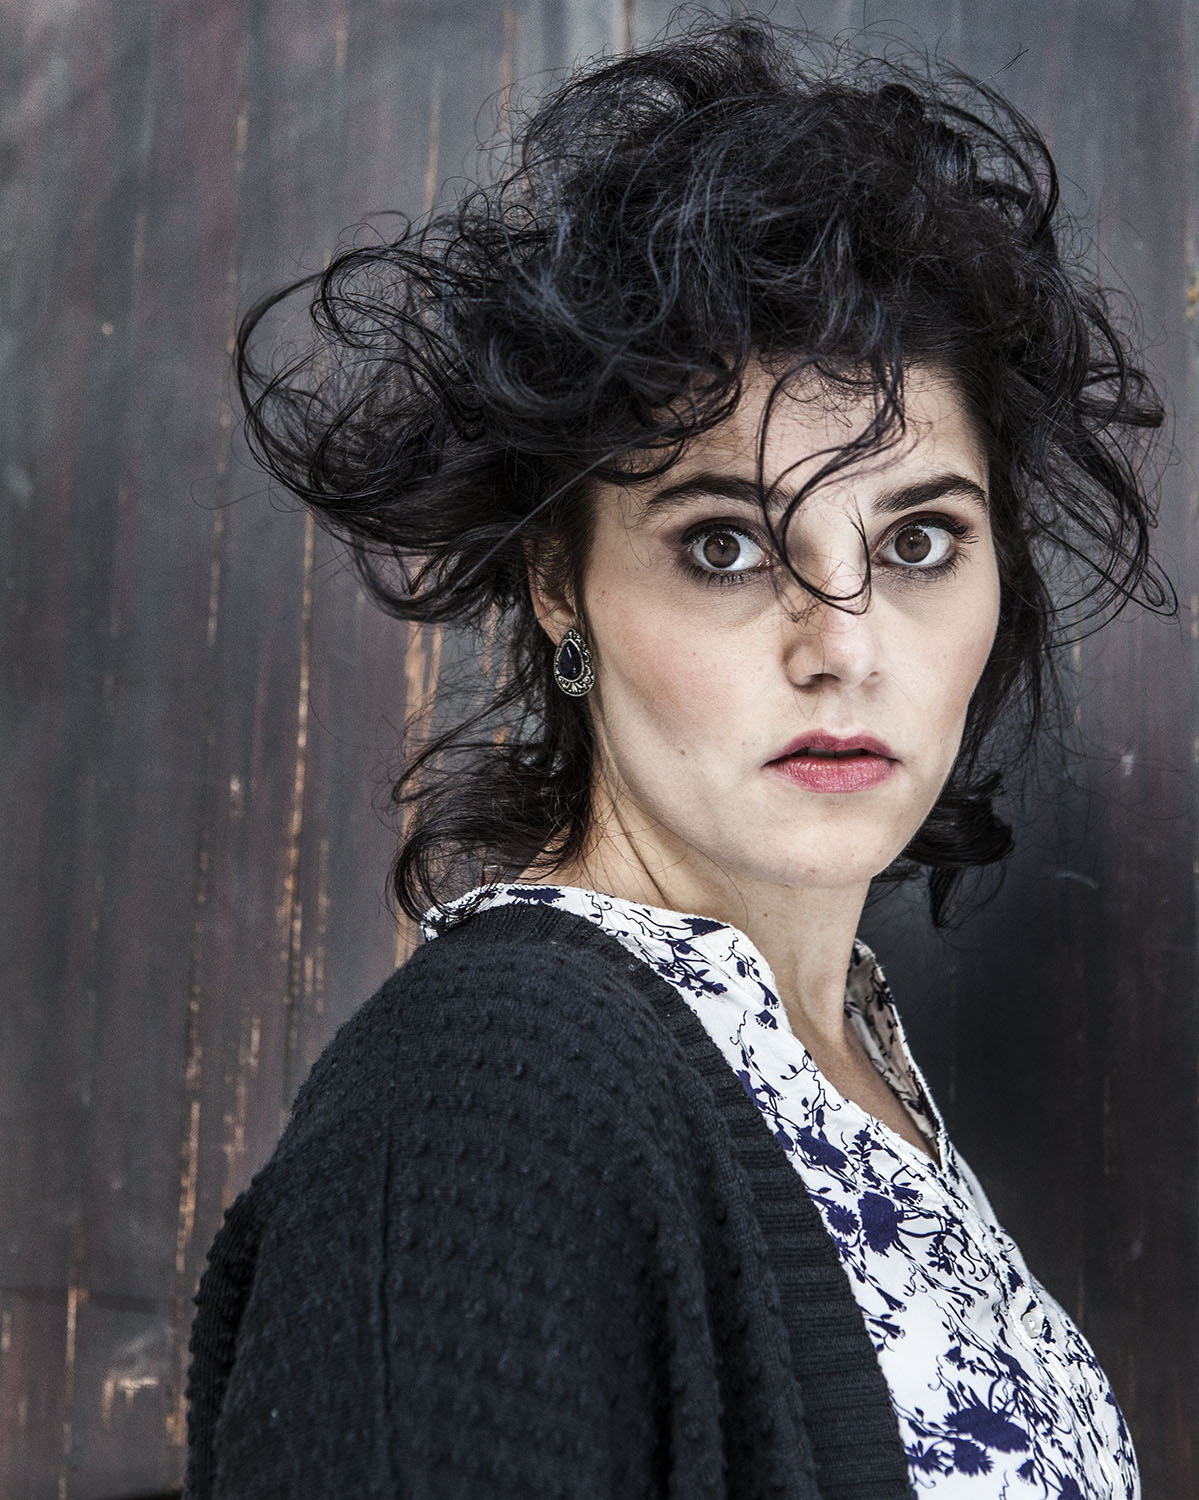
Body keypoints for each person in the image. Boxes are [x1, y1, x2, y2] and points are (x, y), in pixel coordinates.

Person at [184, 17, 1172, 1500]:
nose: (843, 643)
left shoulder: (845, 1069)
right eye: (725, 546)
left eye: (919, 541)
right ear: (558, 583)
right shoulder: (491, 1106)